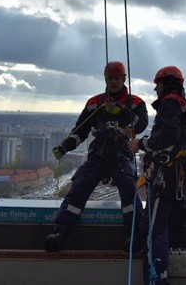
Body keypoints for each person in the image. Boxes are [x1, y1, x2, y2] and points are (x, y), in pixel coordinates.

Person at [44, 61, 149, 251]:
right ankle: (60, 232)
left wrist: (122, 111)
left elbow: (140, 124)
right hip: (99, 153)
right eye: (111, 78)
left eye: (117, 78)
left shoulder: (136, 103)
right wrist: (65, 146)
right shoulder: (95, 103)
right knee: (80, 186)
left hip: (121, 153)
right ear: (106, 79)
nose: (114, 82)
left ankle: (134, 236)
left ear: (124, 79)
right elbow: (81, 130)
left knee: (128, 188)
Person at [128, 65, 186, 285]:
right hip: (176, 176)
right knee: (169, 225)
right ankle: (162, 273)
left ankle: (156, 277)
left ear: (165, 83)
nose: (156, 88)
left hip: (165, 176)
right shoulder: (184, 105)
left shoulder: (170, 103)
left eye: (157, 83)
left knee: (154, 229)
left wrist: (141, 143)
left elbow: (167, 136)